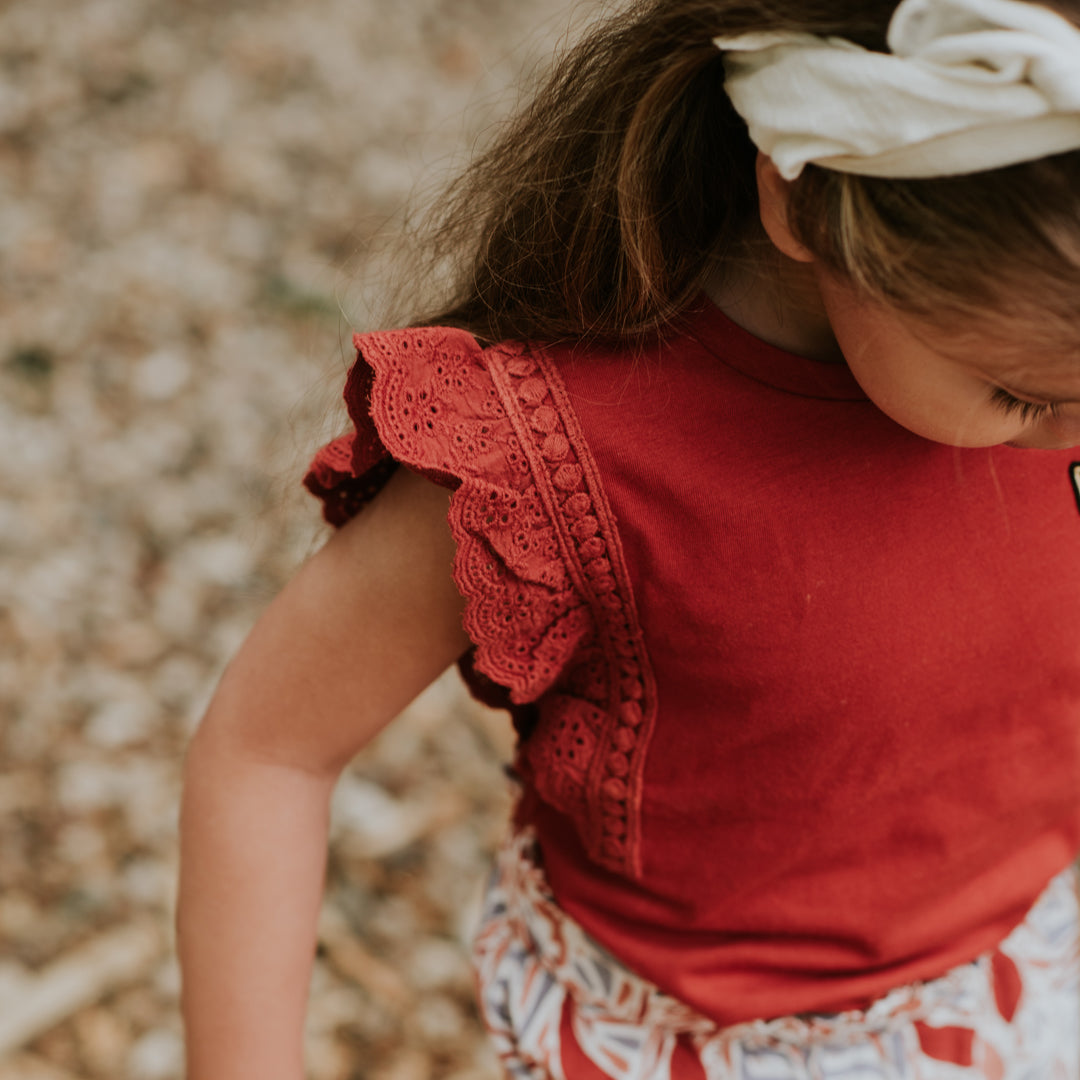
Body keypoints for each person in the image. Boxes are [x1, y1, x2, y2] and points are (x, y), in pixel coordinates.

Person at [176, 0, 1080, 1075]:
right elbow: (270, 751)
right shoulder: (559, 455)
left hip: (1035, 980)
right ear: (799, 192)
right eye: (1023, 395)